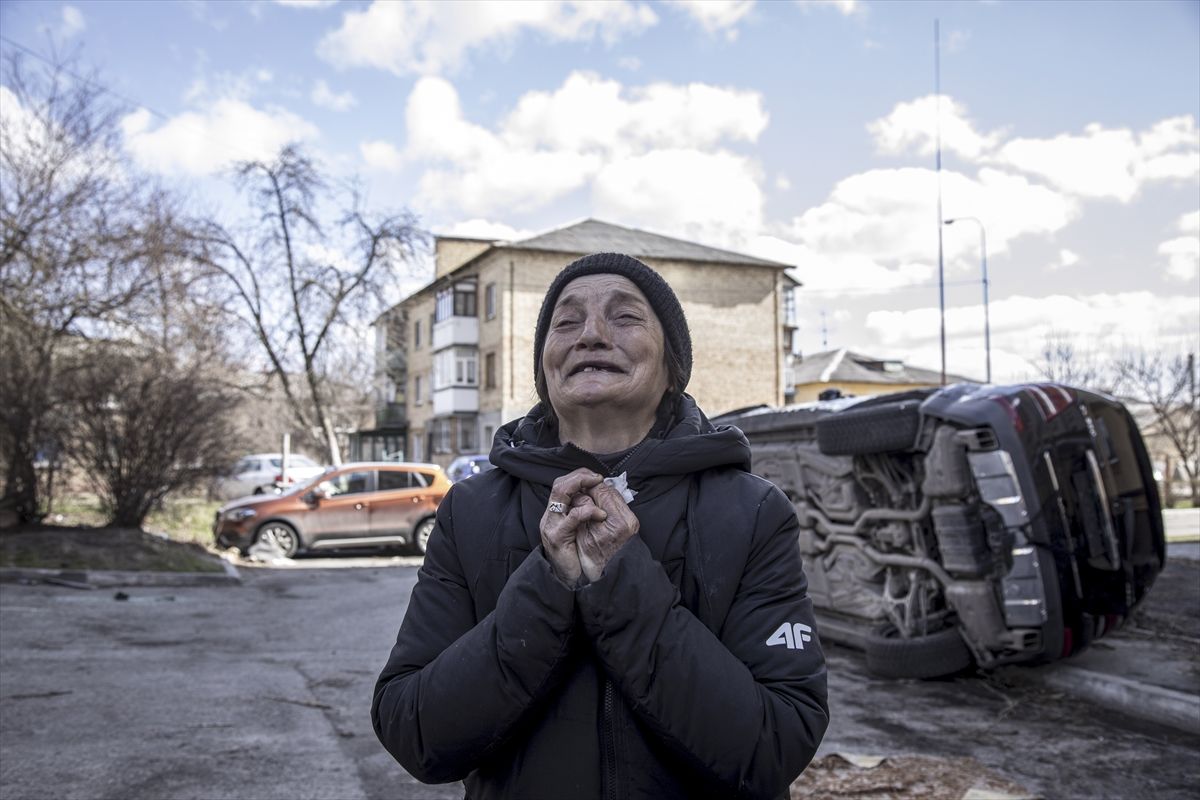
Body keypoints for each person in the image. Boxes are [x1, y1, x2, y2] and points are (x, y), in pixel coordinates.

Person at [372, 253, 828, 799]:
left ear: (672, 367)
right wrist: (548, 586)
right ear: (545, 369)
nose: (590, 334)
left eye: (625, 317)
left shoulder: (751, 511)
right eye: (566, 322)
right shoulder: (471, 510)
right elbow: (414, 731)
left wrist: (622, 580)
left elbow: (776, 743)